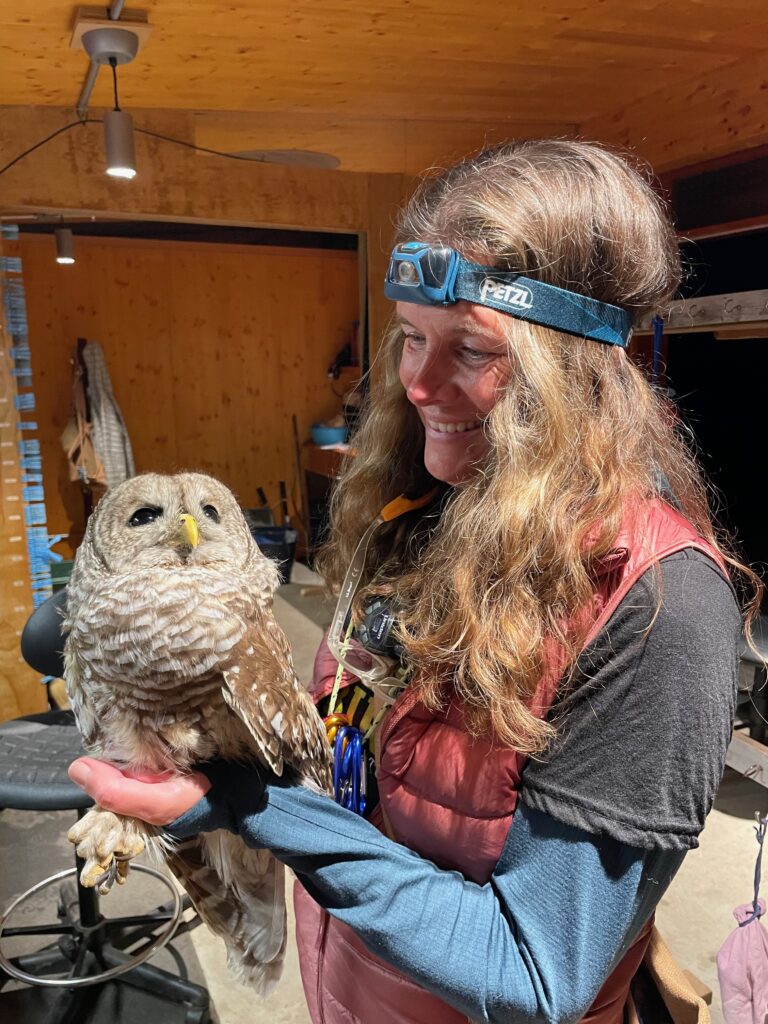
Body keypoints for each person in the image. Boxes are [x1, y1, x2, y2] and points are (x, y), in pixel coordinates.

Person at [67, 139, 761, 1024]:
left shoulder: (658, 606)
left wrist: (250, 806)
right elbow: (349, 762)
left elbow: (533, 971)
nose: (420, 383)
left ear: (577, 373)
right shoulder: (414, 510)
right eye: (410, 337)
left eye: (470, 349)